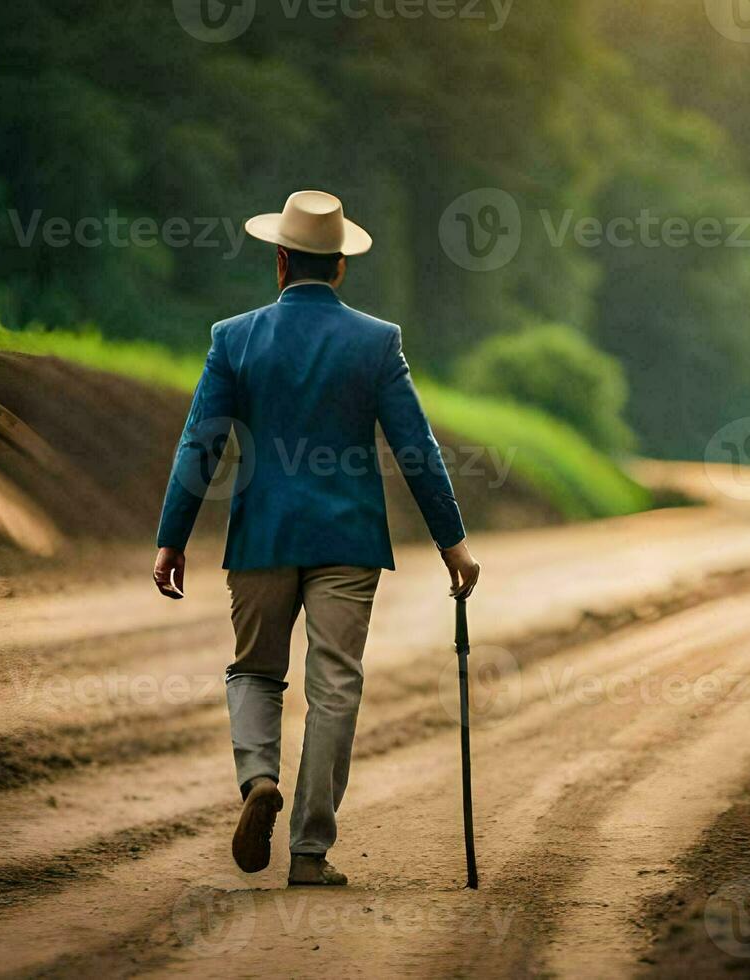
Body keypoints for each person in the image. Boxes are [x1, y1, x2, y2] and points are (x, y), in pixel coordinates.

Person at [151, 190, 481, 886]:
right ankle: (309, 851)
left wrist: (171, 537)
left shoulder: (232, 338)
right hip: (348, 541)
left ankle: (258, 780)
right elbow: (415, 446)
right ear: (339, 267)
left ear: (279, 261)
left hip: (263, 536)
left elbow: (199, 443)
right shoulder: (375, 341)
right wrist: (452, 542)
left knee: (254, 671)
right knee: (334, 688)